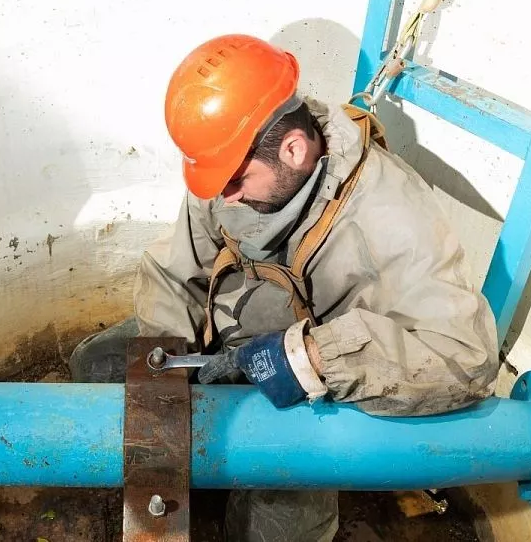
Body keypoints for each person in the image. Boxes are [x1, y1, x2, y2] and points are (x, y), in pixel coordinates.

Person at [69, 34, 499, 541]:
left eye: (235, 183)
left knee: (271, 530)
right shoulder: (229, 165)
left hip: (309, 386)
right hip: (221, 348)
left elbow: (464, 355)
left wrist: (309, 359)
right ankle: (202, 473)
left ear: (293, 149)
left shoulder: (392, 220)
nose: (224, 198)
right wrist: (168, 373)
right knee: (94, 366)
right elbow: (172, 272)